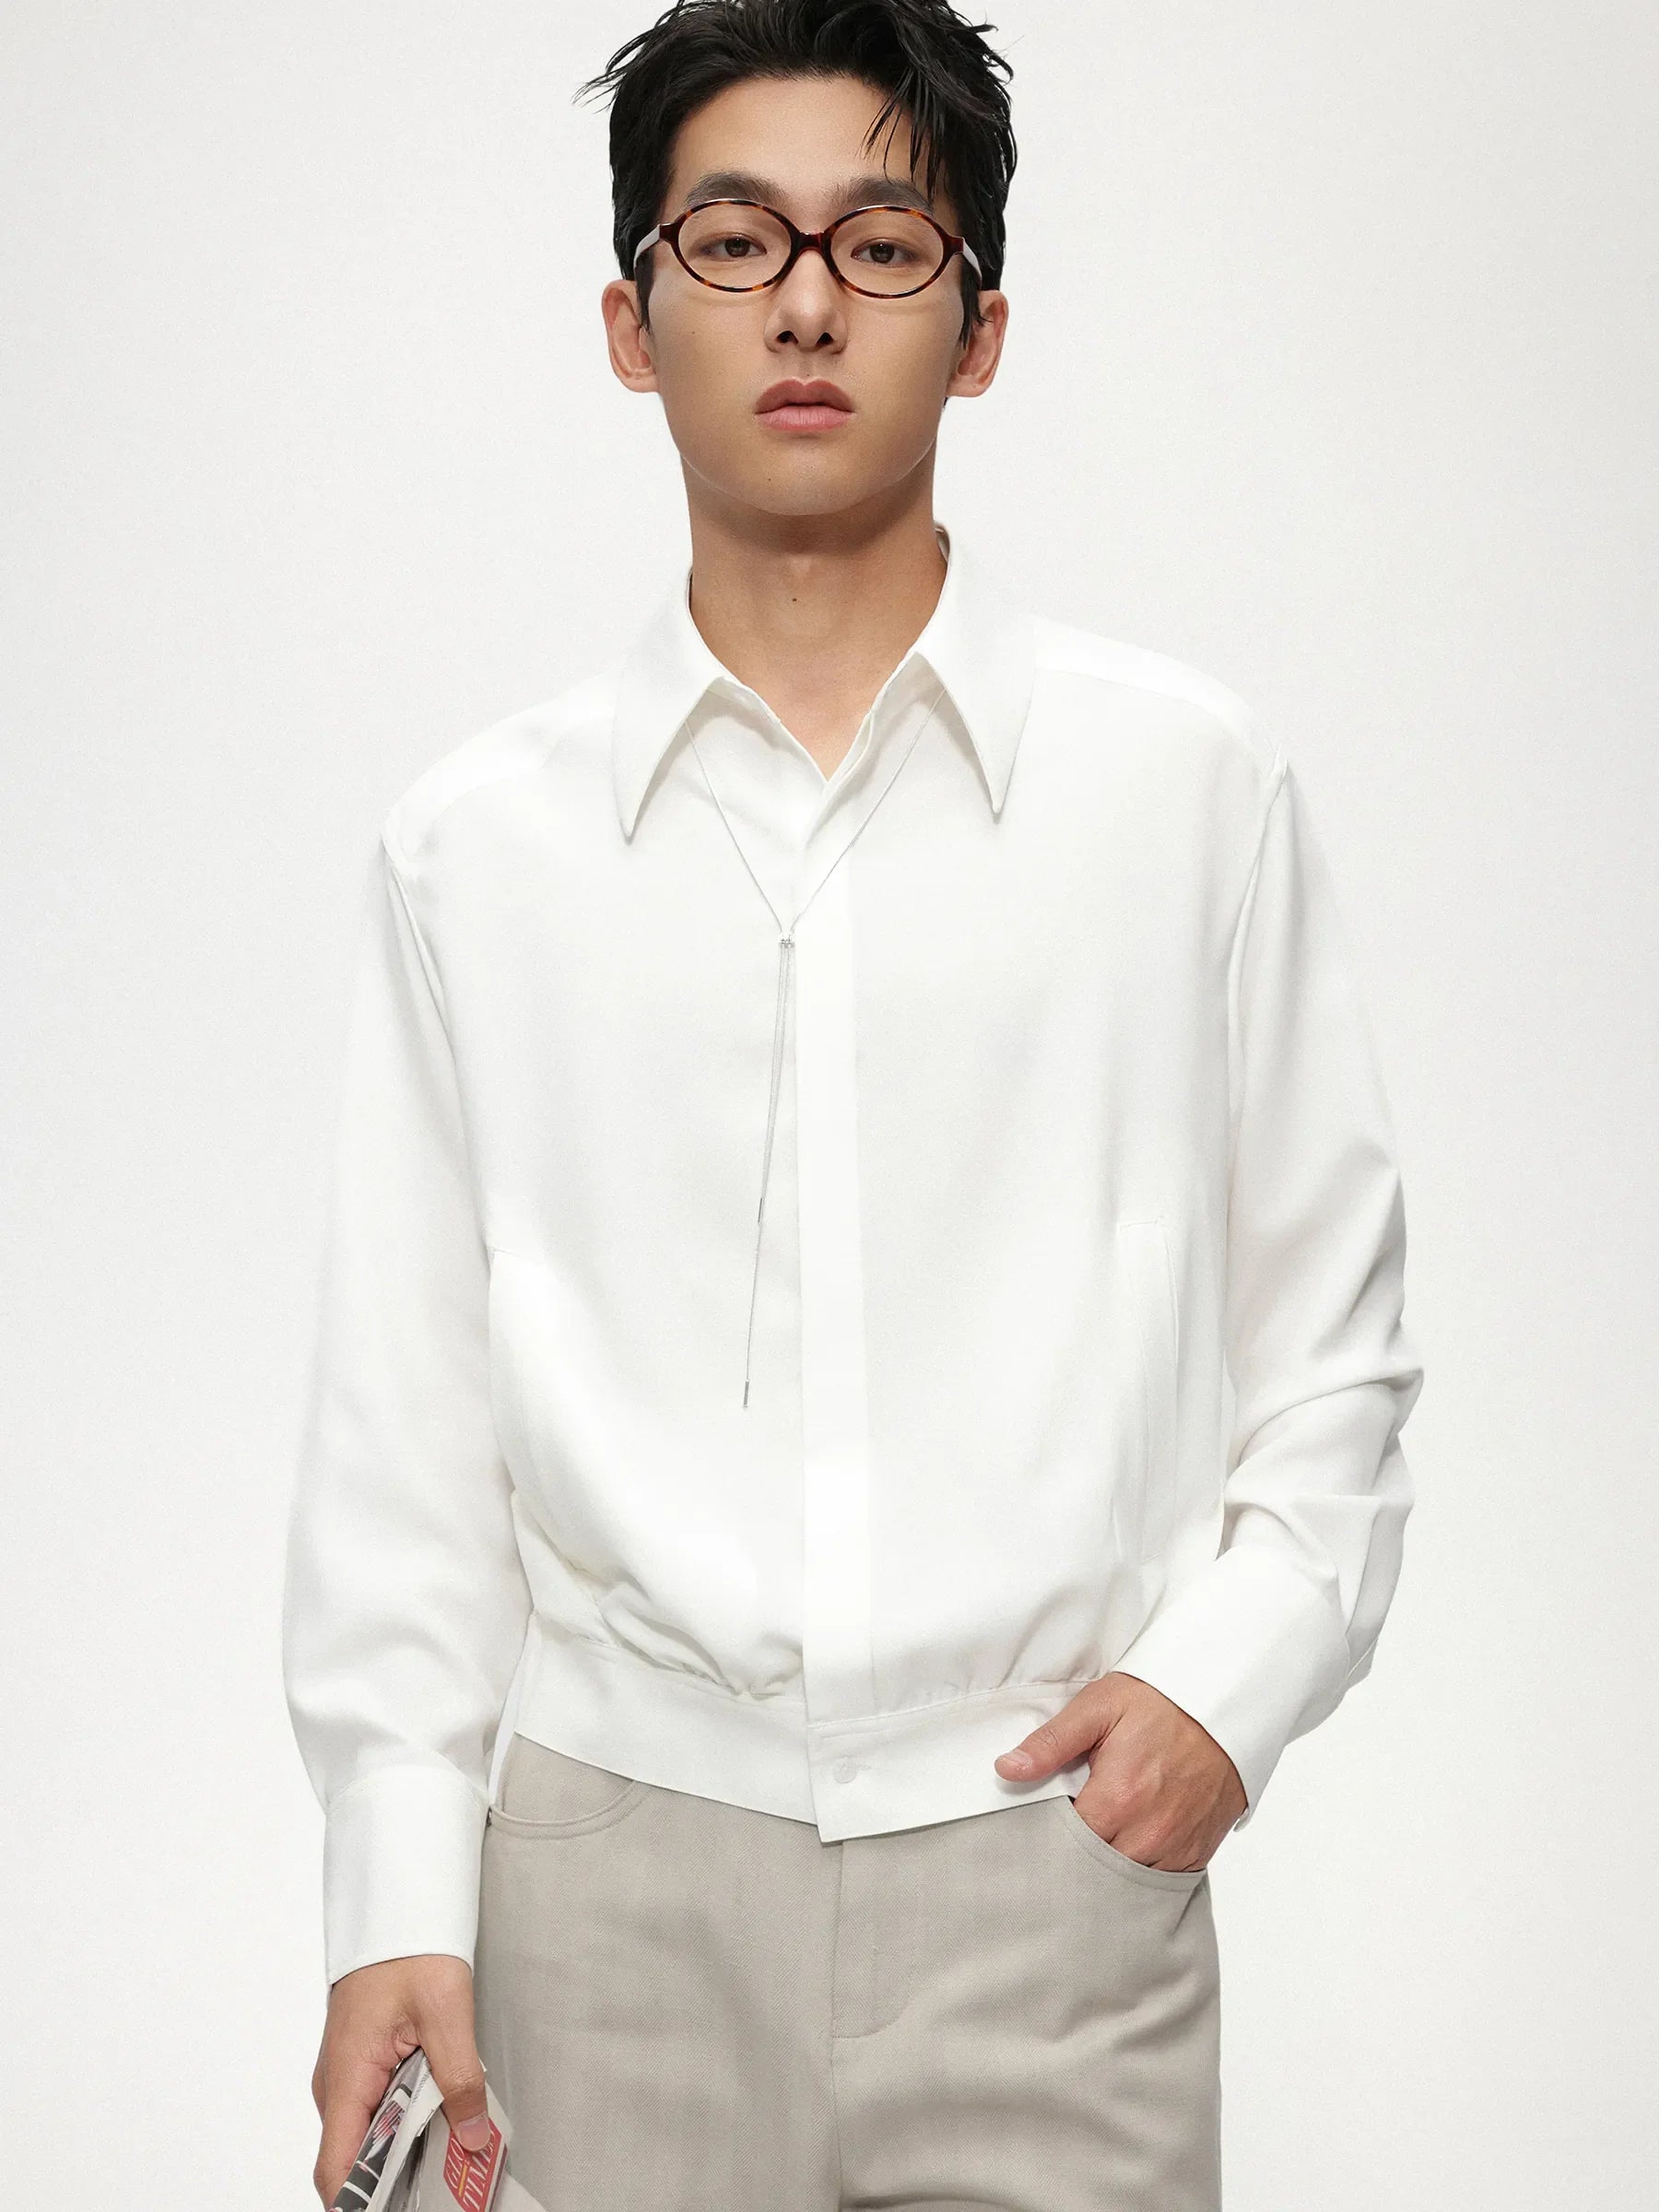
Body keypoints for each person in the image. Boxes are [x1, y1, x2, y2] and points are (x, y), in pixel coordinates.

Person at [281, 4, 1424, 2206]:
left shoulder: (1182, 791)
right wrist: (395, 1894)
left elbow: (1338, 1349)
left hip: (1047, 1874)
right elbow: (402, 1442)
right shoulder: (477, 851)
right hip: (598, 1892)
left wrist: (1223, 1699)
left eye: (882, 245)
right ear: (632, 324)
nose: (805, 303)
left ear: (978, 330)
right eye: (733, 240)